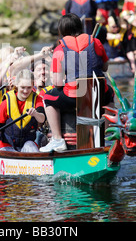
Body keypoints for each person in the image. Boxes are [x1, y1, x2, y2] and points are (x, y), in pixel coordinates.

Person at [40, 13, 112, 152]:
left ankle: (57, 139)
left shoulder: (60, 48)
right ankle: (108, 133)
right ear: (80, 27)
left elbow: (57, 82)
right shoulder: (95, 42)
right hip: (98, 93)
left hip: (74, 95)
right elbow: (105, 67)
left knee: (48, 97)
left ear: (61, 31)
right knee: (110, 94)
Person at [0, 70, 45, 152]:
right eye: (23, 87)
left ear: (33, 85)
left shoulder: (37, 99)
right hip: (7, 145)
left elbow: (42, 119)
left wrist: (35, 114)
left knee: (31, 146)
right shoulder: (7, 102)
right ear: (17, 85)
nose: (25, 91)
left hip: (27, 144)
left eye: (29, 87)